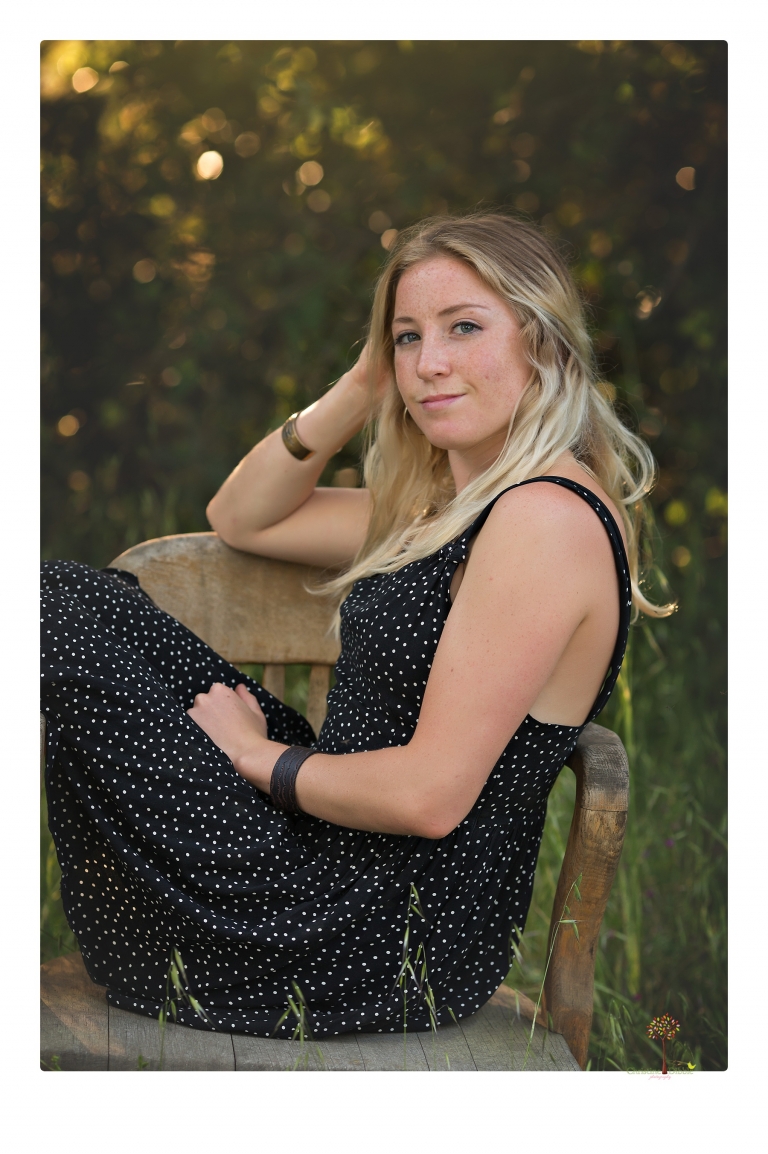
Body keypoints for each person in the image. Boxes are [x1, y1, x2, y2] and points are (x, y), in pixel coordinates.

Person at [41, 212, 671, 1038]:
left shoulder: (544, 520)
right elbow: (244, 516)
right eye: (408, 338)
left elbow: (431, 797)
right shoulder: (454, 511)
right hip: (322, 862)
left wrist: (252, 756)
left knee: (42, 613)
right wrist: (364, 384)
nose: (429, 364)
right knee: (78, 600)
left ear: (543, 344)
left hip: (357, 937)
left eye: (465, 328)